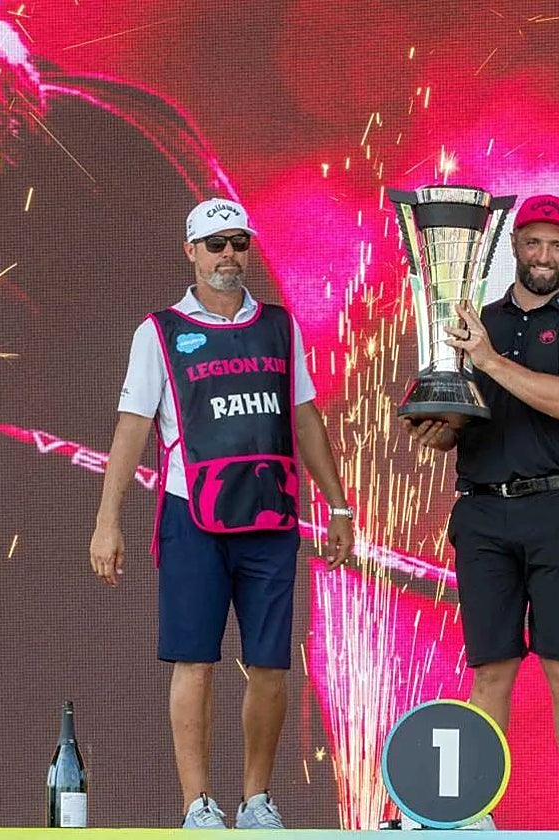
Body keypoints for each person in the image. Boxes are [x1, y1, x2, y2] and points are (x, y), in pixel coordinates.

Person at [90, 197, 355, 830]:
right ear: (191, 252)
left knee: (269, 664)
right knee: (195, 660)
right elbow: (132, 425)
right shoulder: (158, 332)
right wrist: (108, 518)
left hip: (271, 516)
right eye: (215, 244)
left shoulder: (279, 326)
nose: (228, 255)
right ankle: (197, 805)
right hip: (192, 518)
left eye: (238, 242)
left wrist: (339, 502)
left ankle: (257, 800)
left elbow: (305, 418)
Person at [404, 194, 559, 832]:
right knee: (491, 666)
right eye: (533, 243)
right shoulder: (471, 321)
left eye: (557, 245)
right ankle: (474, 811)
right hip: (483, 512)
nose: (544, 255)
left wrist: (491, 360)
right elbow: (451, 432)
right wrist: (434, 421)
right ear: (514, 247)